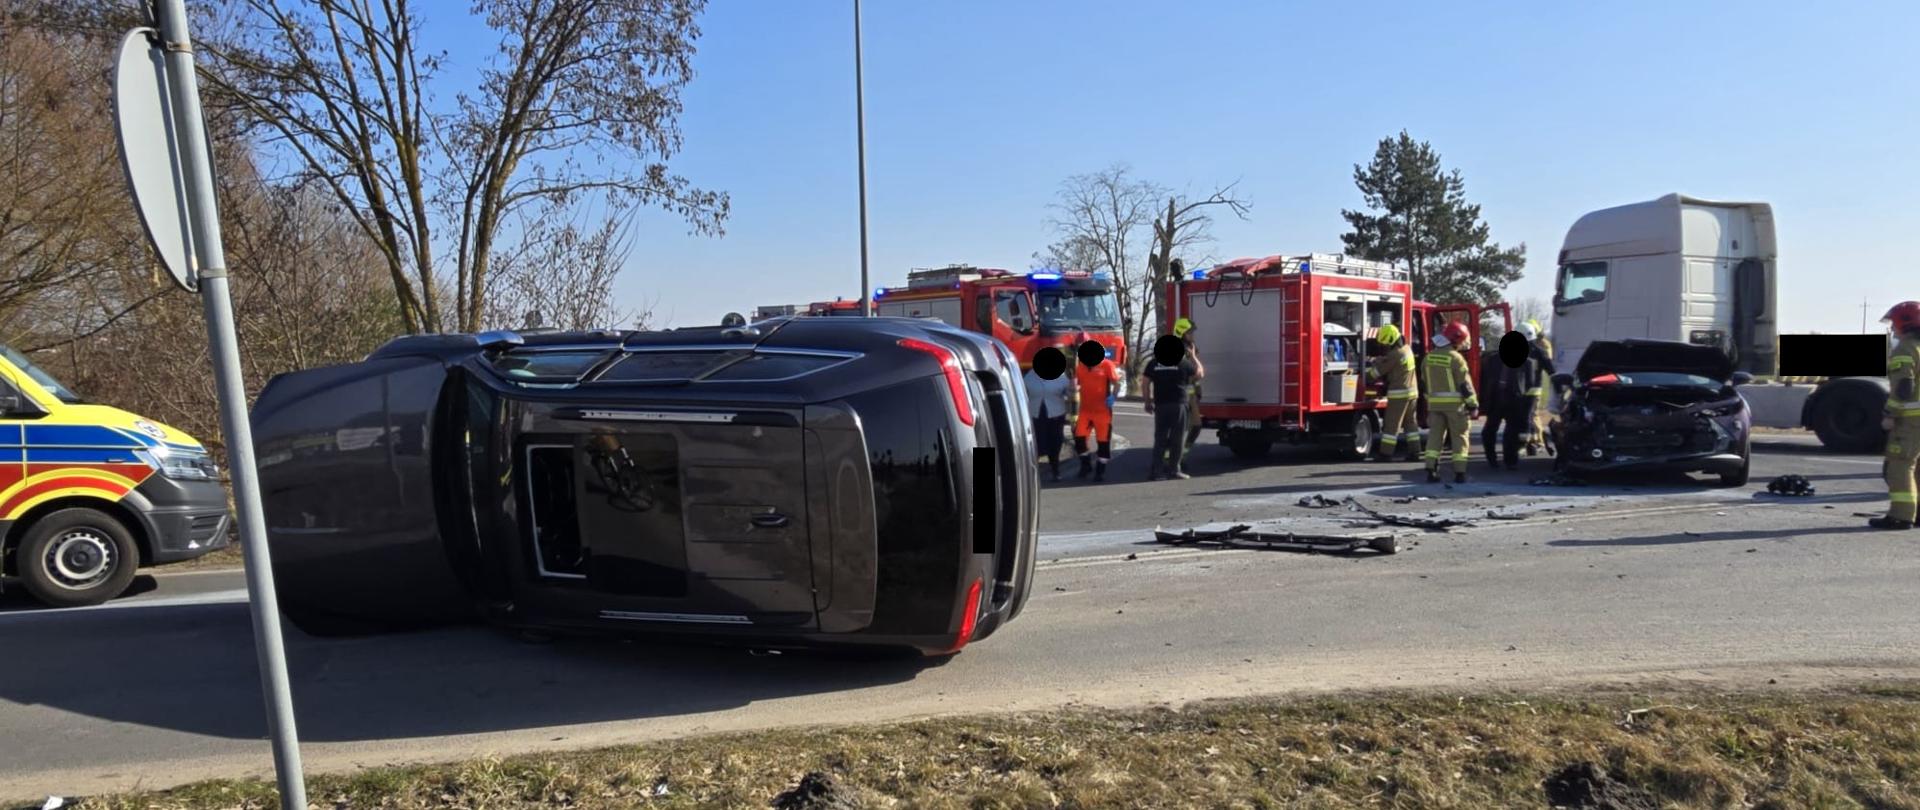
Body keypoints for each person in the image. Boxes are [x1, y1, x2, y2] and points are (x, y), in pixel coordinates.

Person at [1481, 322, 1556, 470]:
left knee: (1495, 430)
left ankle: (1498, 459)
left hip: (1501, 399)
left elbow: (1486, 378)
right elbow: (1532, 379)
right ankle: (1509, 460)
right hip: (1511, 399)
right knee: (1508, 430)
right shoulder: (1527, 360)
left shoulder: (1494, 357)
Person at [1872, 300, 1920, 530]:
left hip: (1911, 421)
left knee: (1899, 465)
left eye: (1894, 323)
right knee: (1916, 466)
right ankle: (1917, 513)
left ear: (1905, 323)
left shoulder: (1905, 348)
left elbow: (1903, 387)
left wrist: (1890, 414)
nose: (1892, 328)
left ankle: (1901, 516)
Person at [1422, 321, 1478, 483]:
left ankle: (1431, 469)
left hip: (1434, 406)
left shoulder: (1428, 357)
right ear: (1456, 339)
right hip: (1455, 407)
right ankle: (1460, 473)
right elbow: (1465, 385)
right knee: (1459, 437)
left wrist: (1429, 402)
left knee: (1435, 437)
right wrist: (1472, 405)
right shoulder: (1456, 358)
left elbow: (1424, 383)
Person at [1143, 334, 1204, 480]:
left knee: (1160, 438)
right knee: (1178, 438)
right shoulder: (1182, 363)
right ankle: (1174, 470)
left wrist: (1147, 402)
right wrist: (1194, 356)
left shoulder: (1153, 363)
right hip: (1179, 405)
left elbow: (1145, 383)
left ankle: (1156, 472)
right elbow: (1199, 374)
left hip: (1161, 404)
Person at [1366, 322, 1420, 461]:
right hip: (1412, 392)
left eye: (1385, 344)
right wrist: (1383, 359)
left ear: (1390, 341)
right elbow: (1395, 362)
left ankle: (1385, 454)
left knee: (1391, 425)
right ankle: (1415, 452)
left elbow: (1376, 373)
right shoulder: (1407, 349)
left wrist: (1366, 374)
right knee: (1410, 424)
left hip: (1399, 394)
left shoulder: (1394, 355)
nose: (1384, 347)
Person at [1072, 341, 1124, 481]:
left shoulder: (1107, 364)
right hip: (1085, 410)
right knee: (1079, 439)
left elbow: (1117, 383)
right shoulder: (1080, 366)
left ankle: (1100, 471)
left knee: (1103, 443)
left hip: (1102, 411)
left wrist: (1113, 396)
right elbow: (1076, 383)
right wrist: (1074, 389)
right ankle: (1086, 464)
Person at [1023, 347, 1075, 481]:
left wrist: (1072, 390)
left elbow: (1069, 395)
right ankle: (1034, 472)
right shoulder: (1030, 376)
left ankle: (1055, 470)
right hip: (1035, 413)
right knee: (1037, 442)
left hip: (1056, 413)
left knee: (1055, 442)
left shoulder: (1061, 376)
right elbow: (1023, 393)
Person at [1174, 318, 1204, 474]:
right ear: (1182, 332)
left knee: (1195, 426)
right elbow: (1195, 374)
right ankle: (1173, 460)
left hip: (1191, 394)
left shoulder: (1190, 347)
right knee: (1182, 428)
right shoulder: (1180, 350)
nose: (1193, 335)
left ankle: (1180, 456)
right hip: (1183, 394)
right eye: (1190, 332)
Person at [1526, 319, 1555, 456]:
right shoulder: (1538, 346)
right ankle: (1531, 440)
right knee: (1529, 415)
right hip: (1526, 387)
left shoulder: (1542, 346)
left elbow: (1548, 364)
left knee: (1533, 415)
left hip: (1534, 387)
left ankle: (1538, 441)